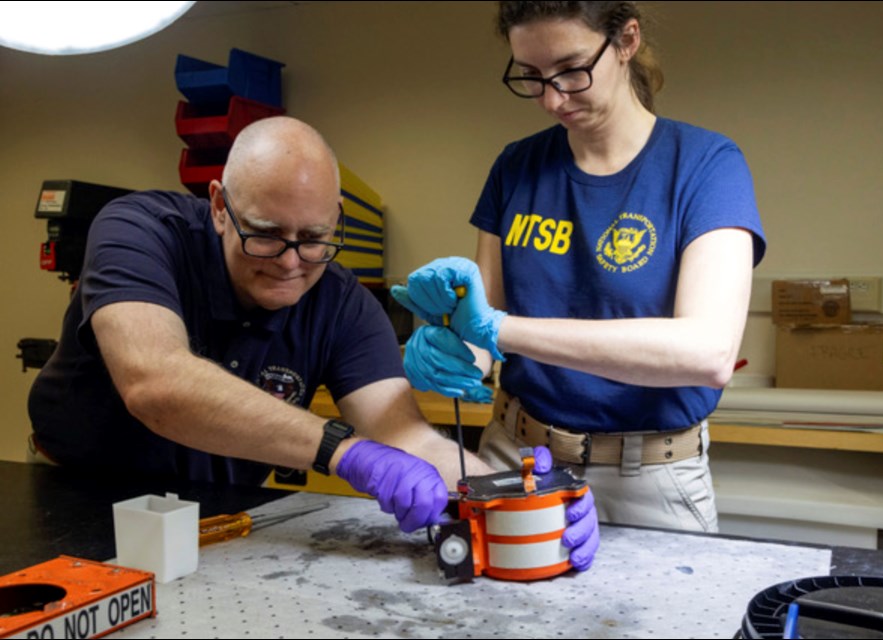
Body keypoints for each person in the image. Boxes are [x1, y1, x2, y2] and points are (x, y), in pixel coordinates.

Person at [392, 1, 766, 533]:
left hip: (648, 480)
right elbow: (485, 325)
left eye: (571, 70)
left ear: (627, 41)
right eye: (532, 76)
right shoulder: (515, 168)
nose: (551, 98)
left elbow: (708, 353)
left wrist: (501, 330)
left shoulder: (706, 165)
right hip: (514, 457)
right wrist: (454, 350)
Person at [27, 116, 498, 534]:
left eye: (314, 238)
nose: (291, 262)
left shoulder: (341, 303)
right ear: (218, 207)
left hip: (219, 512)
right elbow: (156, 382)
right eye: (266, 234)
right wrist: (342, 450)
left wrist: (507, 500)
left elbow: (402, 434)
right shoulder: (140, 232)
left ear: (336, 218)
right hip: (74, 496)